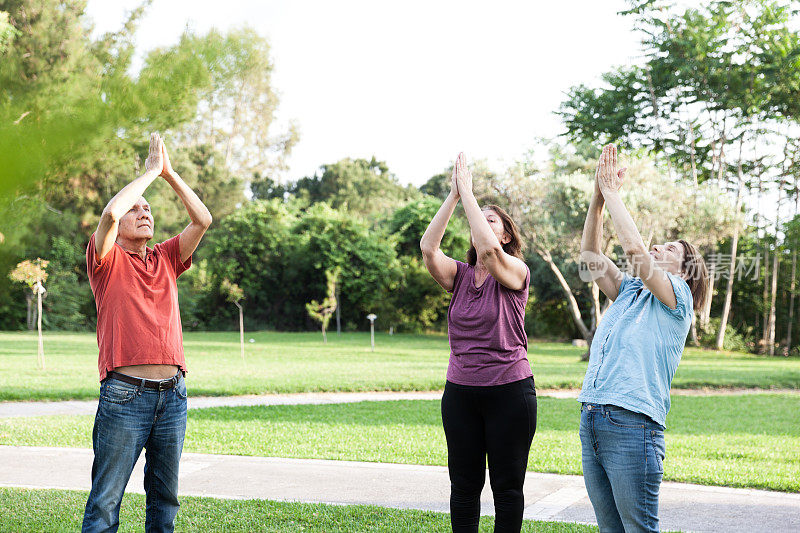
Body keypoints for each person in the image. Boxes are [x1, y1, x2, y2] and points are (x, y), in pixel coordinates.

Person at [82, 133, 212, 533]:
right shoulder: (105, 259)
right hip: (125, 396)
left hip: (172, 396)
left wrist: (169, 174)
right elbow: (108, 214)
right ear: (121, 224)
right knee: (106, 502)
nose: (144, 213)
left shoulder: (167, 257)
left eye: (149, 208)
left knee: (164, 501)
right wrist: (148, 174)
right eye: (135, 209)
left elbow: (202, 220)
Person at [578, 144, 708, 532]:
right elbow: (589, 258)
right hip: (593, 416)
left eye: (668, 250)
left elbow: (634, 249)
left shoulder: (677, 298)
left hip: (633, 425)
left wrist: (614, 192)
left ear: (684, 273)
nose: (656, 247)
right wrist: (598, 199)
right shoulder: (631, 291)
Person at [420, 152, 536, 533]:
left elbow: (489, 251)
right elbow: (428, 249)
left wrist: (469, 193)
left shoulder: (515, 271)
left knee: (506, 488)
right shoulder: (460, 276)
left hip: (509, 391)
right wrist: (454, 196)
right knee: (464, 487)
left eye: (490, 220)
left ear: (505, 234)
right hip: (461, 393)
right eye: (477, 219)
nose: (480, 223)